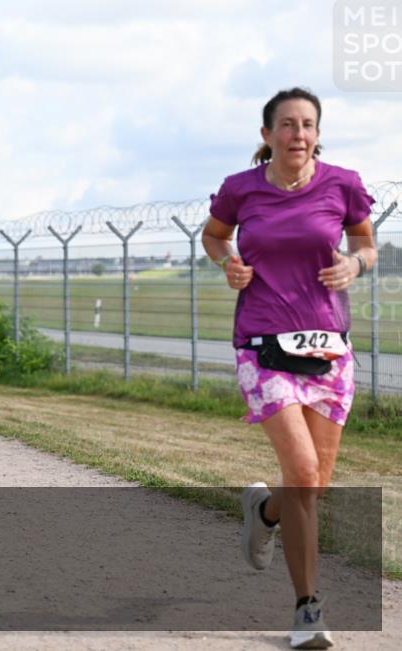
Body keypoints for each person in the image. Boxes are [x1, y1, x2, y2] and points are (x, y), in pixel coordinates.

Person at [201, 87, 377, 650]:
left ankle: (265, 511)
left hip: (329, 348)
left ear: (317, 133)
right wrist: (228, 261)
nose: (297, 134)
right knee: (301, 470)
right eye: (287, 125)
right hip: (261, 344)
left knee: (312, 485)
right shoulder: (240, 189)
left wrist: (356, 263)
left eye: (307, 125)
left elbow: (367, 243)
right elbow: (212, 235)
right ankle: (307, 610)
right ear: (267, 134)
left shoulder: (342, 183)